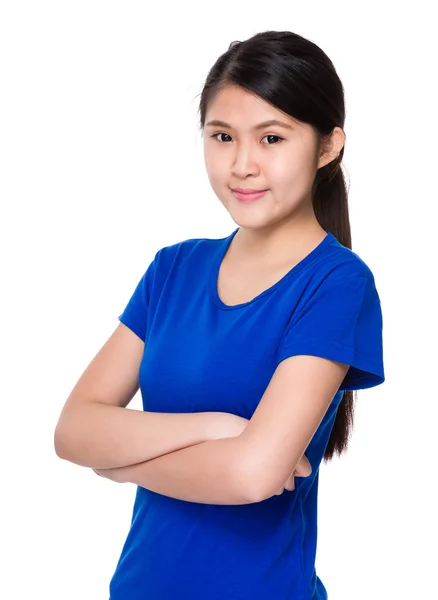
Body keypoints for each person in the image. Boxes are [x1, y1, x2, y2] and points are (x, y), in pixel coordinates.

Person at [54, 30, 385, 599]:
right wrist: (219, 430)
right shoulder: (172, 270)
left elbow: (253, 475)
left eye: (272, 137)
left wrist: (118, 464)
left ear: (328, 147)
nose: (242, 165)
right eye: (223, 136)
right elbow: (72, 430)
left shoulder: (336, 283)